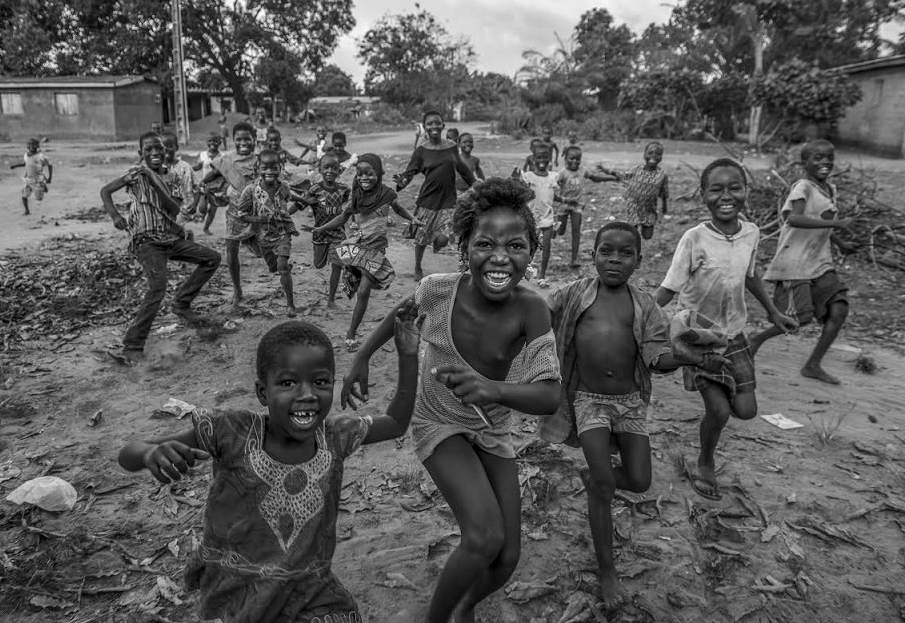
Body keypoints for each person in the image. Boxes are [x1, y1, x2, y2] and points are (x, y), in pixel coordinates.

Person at [341, 178, 562, 623]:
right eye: (485, 244)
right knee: (483, 537)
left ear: (532, 252)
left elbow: (550, 395)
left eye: (516, 245)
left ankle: (462, 605)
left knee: (507, 557)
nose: (500, 257)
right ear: (464, 248)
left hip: (491, 428)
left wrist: (492, 389)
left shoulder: (532, 309)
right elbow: (401, 313)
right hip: (438, 422)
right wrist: (362, 356)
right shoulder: (438, 290)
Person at [117, 308, 422, 623]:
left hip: (309, 589)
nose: (307, 395)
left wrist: (408, 355)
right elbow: (128, 453)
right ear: (263, 392)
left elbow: (395, 423)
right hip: (237, 588)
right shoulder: (232, 432)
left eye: (320, 382)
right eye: (288, 383)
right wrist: (149, 454)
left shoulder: (335, 436)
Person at [541, 222, 725, 607]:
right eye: (606, 251)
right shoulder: (573, 294)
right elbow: (538, 311)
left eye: (625, 254)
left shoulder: (645, 306)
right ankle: (607, 571)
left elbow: (657, 357)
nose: (614, 260)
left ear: (638, 261)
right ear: (592, 255)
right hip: (588, 400)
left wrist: (688, 358)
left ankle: (595, 479)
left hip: (630, 403)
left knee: (640, 481)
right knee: (606, 486)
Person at [654, 159, 798, 500]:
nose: (726, 196)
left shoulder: (751, 232)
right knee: (718, 412)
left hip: (734, 333)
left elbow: (750, 276)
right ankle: (705, 461)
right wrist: (637, 316)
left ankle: (731, 376)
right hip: (698, 337)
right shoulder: (694, 238)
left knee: (746, 411)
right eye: (716, 189)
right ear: (703, 194)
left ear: (746, 191)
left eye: (735, 187)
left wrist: (774, 313)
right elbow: (669, 288)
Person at [100, 132, 222, 364]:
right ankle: (132, 346)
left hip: (168, 238)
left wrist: (152, 178)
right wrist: (115, 215)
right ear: (141, 153)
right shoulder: (134, 175)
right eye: (149, 150)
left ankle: (181, 303)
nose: (155, 153)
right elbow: (105, 191)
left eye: (159, 149)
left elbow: (173, 208)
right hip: (146, 241)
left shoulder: (172, 176)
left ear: (165, 152)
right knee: (157, 287)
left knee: (212, 258)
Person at [749, 140, 854, 385]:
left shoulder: (829, 188)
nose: (825, 162)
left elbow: (817, 222)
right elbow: (795, 219)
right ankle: (756, 338)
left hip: (820, 261)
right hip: (794, 262)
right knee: (798, 319)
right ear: (804, 163)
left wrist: (839, 242)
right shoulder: (803, 187)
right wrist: (837, 224)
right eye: (817, 158)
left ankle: (813, 365)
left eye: (829, 157)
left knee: (839, 309)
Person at [312, 153, 420, 351]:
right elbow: (343, 218)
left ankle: (351, 333)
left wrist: (412, 218)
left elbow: (398, 208)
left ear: (378, 172)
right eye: (360, 173)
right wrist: (321, 228)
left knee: (363, 291)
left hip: (376, 250)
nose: (364, 177)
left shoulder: (387, 194)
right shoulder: (357, 197)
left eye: (369, 173)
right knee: (349, 273)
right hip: (358, 246)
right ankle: (348, 284)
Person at [395, 111, 477, 281]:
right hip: (428, 200)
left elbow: (462, 168)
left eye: (437, 123)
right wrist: (402, 182)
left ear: (443, 125)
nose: (434, 126)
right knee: (421, 239)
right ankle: (417, 266)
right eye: (430, 123)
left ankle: (437, 243)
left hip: (449, 200)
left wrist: (475, 183)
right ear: (425, 127)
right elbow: (410, 172)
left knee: (444, 238)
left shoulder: (452, 147)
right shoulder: (421, 151)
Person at [190, 121, 259, 306]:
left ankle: (255, 245)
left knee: (262, 250)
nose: (243, 143)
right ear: (233, 140)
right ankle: (237, 289)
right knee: (231, 249)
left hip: (257, 213)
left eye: (247, 139)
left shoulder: (260, 160)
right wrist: (202, 184)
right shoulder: (226, 160)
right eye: (239, 139)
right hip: (235, 212)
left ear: (254, 139)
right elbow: (213, 174)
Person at [235, 149, 300, 317]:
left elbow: (290, 197)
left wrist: (305, 200)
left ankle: (290, 305)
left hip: (283, 232)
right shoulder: (250, 191)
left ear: (280, 168)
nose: (269, 172)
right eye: (265, 168)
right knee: (273, 267)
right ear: (258, 168)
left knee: (282, 267)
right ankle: (281, 266)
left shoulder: (283, 186)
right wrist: (258, 219)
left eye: (274, 168)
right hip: (263, 237)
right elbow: (241, 214)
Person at [291, 153, 350, 309]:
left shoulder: (344, 189)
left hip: (338, 233)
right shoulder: (315, 189)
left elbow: (348, 206)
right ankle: (328, 256)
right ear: (320, 170)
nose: (330, 171)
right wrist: (284, 216)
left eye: (334, 168)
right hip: (319, 234)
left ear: (339, 170)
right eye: (326, 167)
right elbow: (299, 204)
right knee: (318, 264)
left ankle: (331, 300)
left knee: (337, 266)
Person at [554, 145, 617, 268]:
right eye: (571, 158)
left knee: (576, 232)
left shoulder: (582, 171)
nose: (575, 161)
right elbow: (552, 186)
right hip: (564, 204)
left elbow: (595, 178)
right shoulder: (562, 173)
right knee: (560, 231)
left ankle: (574, 260)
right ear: (565, 158)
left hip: (577, 205)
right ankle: (553, 229)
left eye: (578, 159)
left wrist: (611, 178)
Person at [600, 142, 669, 241]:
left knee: (647, 235)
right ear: (644, 155)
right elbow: (623, 175)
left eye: (658, 154)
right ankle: (634, 245)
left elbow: (664, 192)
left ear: (661, 157)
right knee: (632, 234)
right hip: (633, 206)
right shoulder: (636, 170)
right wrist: (608, 171)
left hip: (649, 209)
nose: (653, 156)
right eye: (650, 153)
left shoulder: (662, 174)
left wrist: (664, 206)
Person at [517, 143, 559, 287]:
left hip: (547, 217)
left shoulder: (553, 177)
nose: (542, 160)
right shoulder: (528, 177)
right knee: (530, 246)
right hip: (532, 218)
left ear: (550, 159)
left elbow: (553, 196)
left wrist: (565, 202)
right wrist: (516, 180)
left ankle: (542, 275)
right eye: (539, 157)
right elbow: (522, 191)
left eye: (545, 157)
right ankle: (526, 270)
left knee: (547, 247)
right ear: (533, 159)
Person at [191, 133, 225, 235]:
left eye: (215, 141)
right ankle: (201, 215)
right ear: (207, 142)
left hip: (217, 187)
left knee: (213, 210)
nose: (212, 143)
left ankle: (206, 228)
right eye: (210, 140)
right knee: (203, 208)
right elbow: (198, 166)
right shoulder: (203, 155)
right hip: (205, 185)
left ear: (220, 142)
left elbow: (225, 171)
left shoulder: (223, 156)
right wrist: (188, 168)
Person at [10, 137, 52, 216]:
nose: (30, 146)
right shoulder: (26, 155)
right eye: (29, 144)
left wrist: (50, 178)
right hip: (28, 179)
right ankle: (27, 211)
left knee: (39, 198)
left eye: (32, 144)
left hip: (38, 180)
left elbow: (50, 165)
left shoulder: (41, 156)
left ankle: (43, 186)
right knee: (24, 196)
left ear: (37, 146)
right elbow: (25, 163)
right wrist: (15, 166)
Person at [161, 132, 197, 224]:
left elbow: (197, 186)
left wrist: (194, 203)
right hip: (161, 210)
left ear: (176, 147)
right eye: (162, 146)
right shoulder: (155, 169)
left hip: (183, 210)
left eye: (170, 146)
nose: (165, 149)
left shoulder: (185, 167)